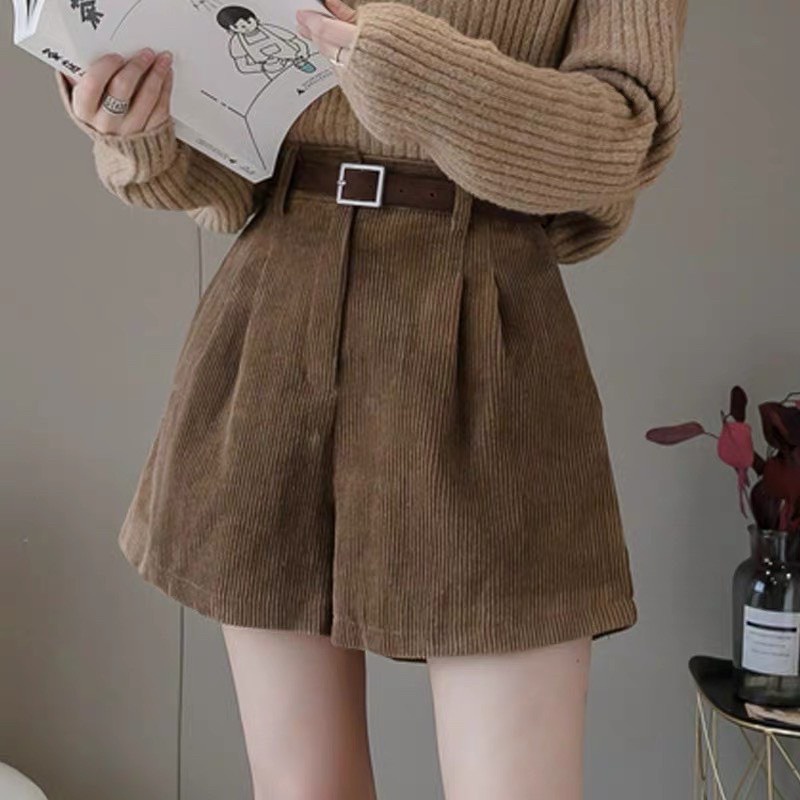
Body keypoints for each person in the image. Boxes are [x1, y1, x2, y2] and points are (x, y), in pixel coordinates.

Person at [54, 0, 687, 797]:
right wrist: (138, 127)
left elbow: (617, 146)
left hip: (484, 324)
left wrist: (408, 67)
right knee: (302, 789)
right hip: (280, 313)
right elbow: (231, 183)